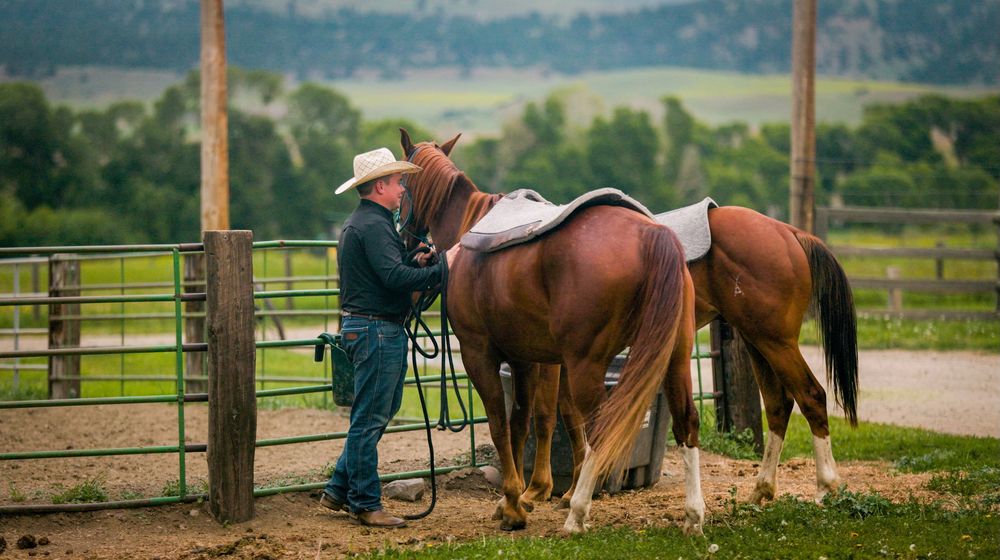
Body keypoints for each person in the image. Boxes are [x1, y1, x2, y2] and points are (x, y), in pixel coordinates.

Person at [320, 147, 458, 528]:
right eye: (398, 182)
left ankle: (337, 489)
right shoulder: (375, 226)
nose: (402, 190)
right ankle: (365, 503)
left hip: (369, 328)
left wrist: (416, 262)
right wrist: (446, 266)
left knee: (376, 412)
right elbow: (394, 280)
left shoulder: (363, 224)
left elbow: (389, 271)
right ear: (380, 185)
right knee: (370, 418)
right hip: (377, 330)